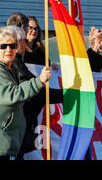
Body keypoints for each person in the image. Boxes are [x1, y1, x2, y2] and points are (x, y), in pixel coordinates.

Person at [0, 26, 51, 160]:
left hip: (3, 139)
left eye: (12, 45)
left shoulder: (6, 68)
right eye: (3, 46)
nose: (8, 49)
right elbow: (11, 95)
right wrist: (39, 81)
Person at [10, 26, 63, 160]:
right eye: (23, 40)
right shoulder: (16, 64)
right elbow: (37, 92)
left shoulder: (15, 63)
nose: (25, 42)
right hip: (18, 124)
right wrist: (66, 94)